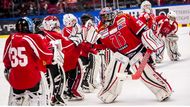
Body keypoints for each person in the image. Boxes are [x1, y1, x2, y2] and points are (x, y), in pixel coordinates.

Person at [96, 7, 172, 103]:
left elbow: (142, 29)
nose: (105, 19)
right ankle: (108, 93)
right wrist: (91, 44)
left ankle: (163, 91)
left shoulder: (124, 18)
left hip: (137, 51)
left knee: (146, 74)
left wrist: (150, 42)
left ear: (112, 14)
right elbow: (100, 44)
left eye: (107, 16)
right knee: (111, 73)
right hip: (121, 55)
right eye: (102, 17)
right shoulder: (101, 29)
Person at [2, 17, 58, 106]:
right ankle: (34, 101)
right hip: (31, 77)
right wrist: (52, 56)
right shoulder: (33, 37)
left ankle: (17, 101)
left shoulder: (11, 38)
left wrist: (9, 69)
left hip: (15, 79)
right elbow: (45, 55)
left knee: (17, 94)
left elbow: (6, 59)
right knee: (34, 95)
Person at [62, 13, 84, 101]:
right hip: (70, 56)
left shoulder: (72, 29)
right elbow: (78, 40)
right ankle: (70, 90)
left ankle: (68, 90)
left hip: (72, 55)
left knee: (70, 74)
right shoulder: (67, 30)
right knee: (72, 74)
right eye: (73, 21)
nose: (75, 22)